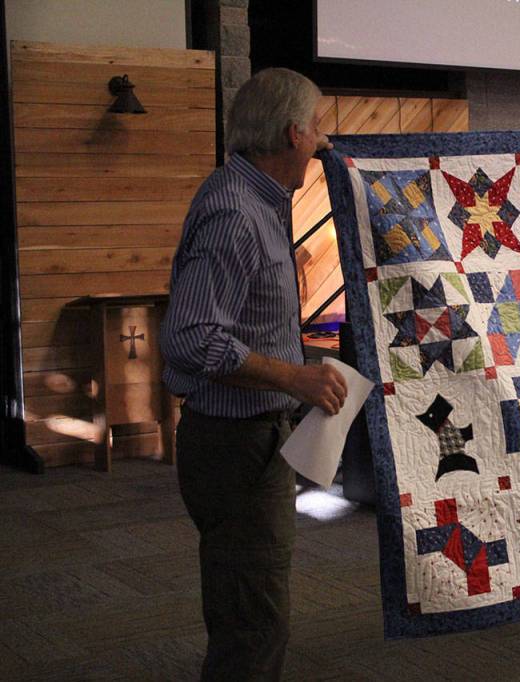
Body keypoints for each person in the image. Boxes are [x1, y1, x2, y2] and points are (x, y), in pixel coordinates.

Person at [161, 68, 348, 680]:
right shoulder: (237, 214)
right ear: (293, 132)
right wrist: (293, 378)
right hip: (234, 450)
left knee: (247, 609)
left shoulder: (255, 203)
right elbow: (190, 338)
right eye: (316, 128)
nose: (322, 142)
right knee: (255, 624)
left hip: (247, 444)